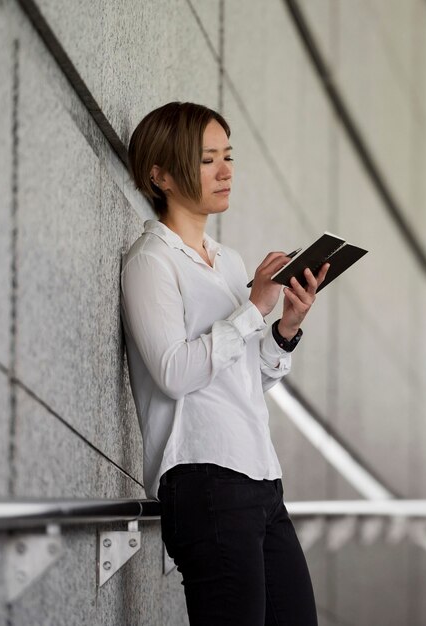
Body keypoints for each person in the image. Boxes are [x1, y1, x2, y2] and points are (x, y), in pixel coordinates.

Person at [121, 101, 329, 626]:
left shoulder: (229, 262)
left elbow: (240, 379)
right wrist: (254, 307)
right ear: (159, 174)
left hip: (260, 475)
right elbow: (174, 373)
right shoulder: (151, 260)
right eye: (207, 158)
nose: (225, 170)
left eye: (228, 156)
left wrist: (283, 327)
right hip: (204, 478)